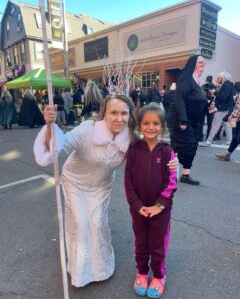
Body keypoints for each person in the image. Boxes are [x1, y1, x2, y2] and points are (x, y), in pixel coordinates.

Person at [33, 94, 178, 288]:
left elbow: (150, 157)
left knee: (97, 223)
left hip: (101, 185)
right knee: (82, 222)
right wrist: (50, 126)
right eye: (114, 112)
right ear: (104, 113)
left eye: (124, 113)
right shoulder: (87, 130)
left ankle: (101, 268)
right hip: (75, 182)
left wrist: (175, 163)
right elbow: (58, 147)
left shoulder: (131, 140)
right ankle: (80, 272)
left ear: (130, 115)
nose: (119, 118)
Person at [125, 103, 177, 298]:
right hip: (138, 209)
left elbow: (172, 182)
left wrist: (159, 206)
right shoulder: (133, 149)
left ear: (162, 126)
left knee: (157, 244)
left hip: (160, 210)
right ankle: (142, 272)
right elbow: (128, 180)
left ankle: (158, 275)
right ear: (139, 125)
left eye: (156, 123)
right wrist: (137, 205)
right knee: (141, 242)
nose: (151, 127)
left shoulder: (167, 151)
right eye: (146, 123)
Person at [167, 55, 207, 185]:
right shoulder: (186, 79)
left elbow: (196, 101)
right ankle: (169, 171)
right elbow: (179, 99)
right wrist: (183, 120)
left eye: (204, 62)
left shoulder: (197, 81)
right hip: (179, 119)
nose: (203, 64)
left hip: (189, 120)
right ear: (192, 64)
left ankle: (183, 175)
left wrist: (208, 106)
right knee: (189, 144)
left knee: (179, 146)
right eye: (200, 62)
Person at [200, 71, 234, 146]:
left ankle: (208, 141)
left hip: (222, 108)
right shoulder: (229, 85)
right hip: (226, 108)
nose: (218, 79)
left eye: (220, 78)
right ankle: (229, 140)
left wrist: (215, 92)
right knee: (226, 123)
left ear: (224, 78)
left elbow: (223, 97)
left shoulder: (226, 85)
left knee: (215, 124)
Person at [215, 81, 240, 161]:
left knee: (238, 137)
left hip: (235, 117)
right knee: (235, 137)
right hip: (236, 118)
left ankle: (227, 154)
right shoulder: (237, 95)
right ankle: (227, 154)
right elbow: (237, 106)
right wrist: (231, 116)